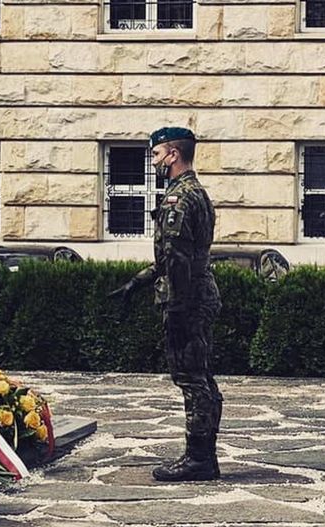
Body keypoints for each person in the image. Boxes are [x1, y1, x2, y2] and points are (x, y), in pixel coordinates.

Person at [109, 127, 223, 482]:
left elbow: (175, 257)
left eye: (157, 155)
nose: (154, 161)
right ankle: (203, 456)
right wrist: (138, 281)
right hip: (198, 294)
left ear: (173, 154)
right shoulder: (197, 193)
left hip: (185, 299)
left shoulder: (178, 198)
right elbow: (180, 254)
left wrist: (175, 303)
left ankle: (199, 459)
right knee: (202, 377)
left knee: (191, 379)